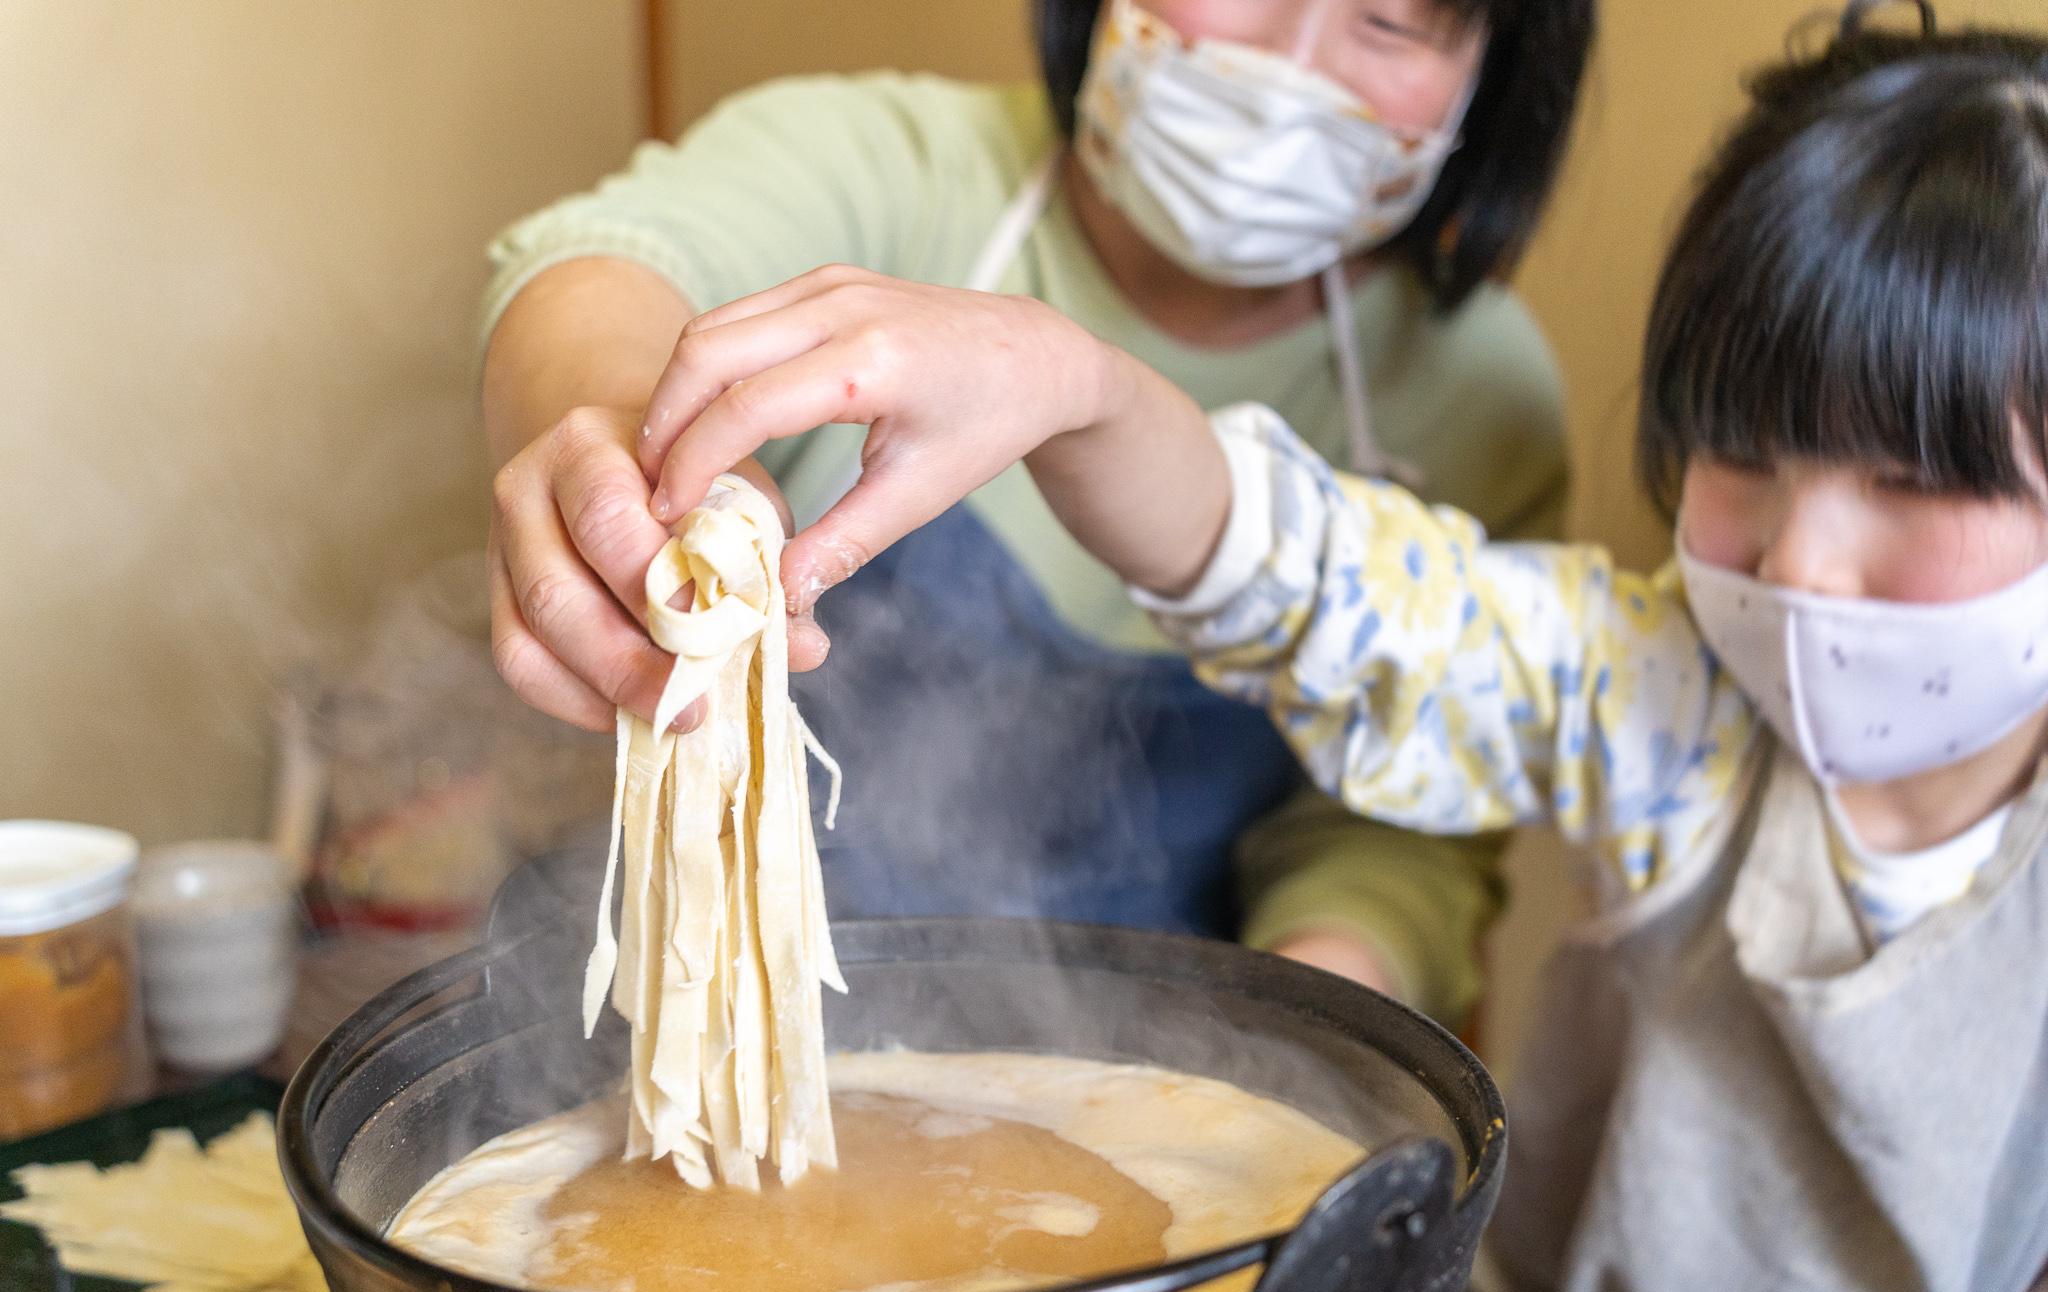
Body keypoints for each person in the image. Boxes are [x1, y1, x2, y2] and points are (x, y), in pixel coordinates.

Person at [635, 2, 2048, 1292]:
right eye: (1744, 458)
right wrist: (1082, 391)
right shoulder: (1658, 694)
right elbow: (1312, 580)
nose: (1800, 555)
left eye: (1913, 484)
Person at [482, 0, 1593, 1021]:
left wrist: (1273, 1065)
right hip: (716, 1006)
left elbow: (1397, 827)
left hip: (1176, 1056)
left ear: (1499, 70)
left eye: (1391, 19)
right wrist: (622, 453)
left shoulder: (1476, 394)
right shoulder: (896, 174)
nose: (1289, 66)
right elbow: (607, 267)